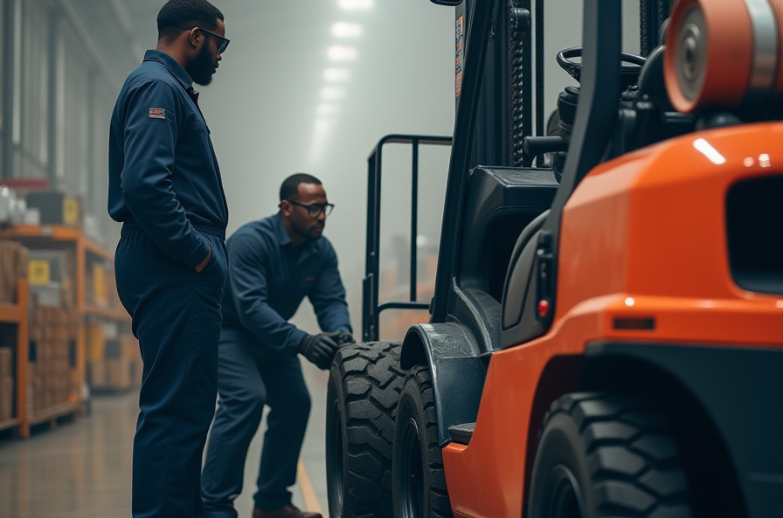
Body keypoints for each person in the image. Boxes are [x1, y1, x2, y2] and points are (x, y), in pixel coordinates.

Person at [108, 1, 230, 517]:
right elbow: (143, 186)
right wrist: (197, 253)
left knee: (187, 408)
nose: (222, 57)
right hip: (172, 262)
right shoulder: (158, 87)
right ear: (196, 37)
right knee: (176, 411)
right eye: (221, 44)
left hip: (169, 260)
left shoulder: (164, 88)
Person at [201, 174, 355, 518]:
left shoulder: (321, 250)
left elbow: (331, 300)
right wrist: (303, 341)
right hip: (232, 332)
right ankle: (212, 507)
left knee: (295, 403)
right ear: (286, 208)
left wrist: (341, 333)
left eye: (325, 207)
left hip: (273, 337)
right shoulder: (250, 242)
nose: (321, 216)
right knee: (246, 399)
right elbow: (251, 308)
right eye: (313, 208)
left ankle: (271, 503)